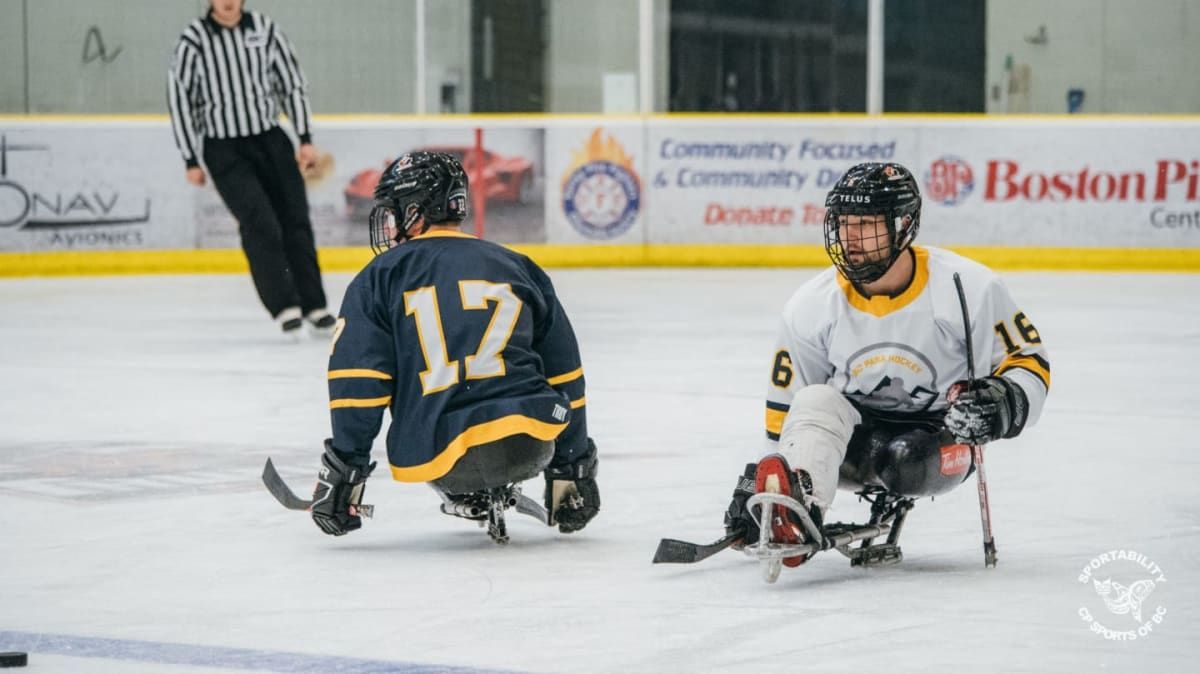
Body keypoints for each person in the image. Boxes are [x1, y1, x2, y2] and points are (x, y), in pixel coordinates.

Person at [723, 162, 1050, 568]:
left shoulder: (968, 287)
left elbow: (1028, 362)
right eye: (844, 223)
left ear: (904, 225)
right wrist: (759, 483)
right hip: (853, 441)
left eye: (865, 224)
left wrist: (1002, 402)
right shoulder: (811, 305)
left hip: (939, 439)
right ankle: (797, 507)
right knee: (815, 400)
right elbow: (785, 420)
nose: (850, 237)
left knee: (904, 458)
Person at [308, 151, 600, 538]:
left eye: (395, 212)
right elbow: (566, 374)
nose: (391, 225)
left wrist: (344, 474)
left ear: (415, 212)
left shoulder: (378, 277)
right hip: (531, 442)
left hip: (440, 450)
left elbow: (358, 384)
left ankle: (469, 483)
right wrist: (572, 469)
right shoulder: (519, 265)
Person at [167, 0, 335, 338]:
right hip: (223, 148)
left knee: (295, 219)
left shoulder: (264, 29)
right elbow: (180, 99)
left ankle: (314, 305)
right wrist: (190, 158)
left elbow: (291, 83)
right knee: (260, 222)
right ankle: (285, 305)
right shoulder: (193, 40)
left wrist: (305, 138)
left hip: (271, 140)